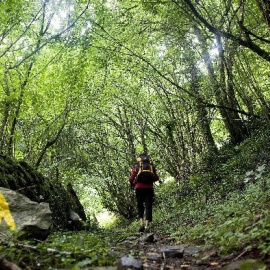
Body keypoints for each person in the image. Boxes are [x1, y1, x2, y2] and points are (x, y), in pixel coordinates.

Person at [129, 153, 159, 232]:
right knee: (148, 206)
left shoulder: (137, 167)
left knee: (140, 206)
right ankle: (147, 226)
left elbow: (131, 178)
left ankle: (141, 224)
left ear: (140, 159)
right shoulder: (151, 167)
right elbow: (156, 177)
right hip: (149, 188)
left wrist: (132, 183)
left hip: (139, 188)